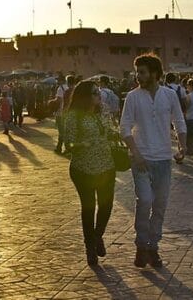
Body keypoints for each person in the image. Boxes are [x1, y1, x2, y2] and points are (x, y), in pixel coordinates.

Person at [120, 54, 186, 268]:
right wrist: (135, 153)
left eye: (143, 72)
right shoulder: (133, 97)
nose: (138, 76)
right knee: (145, 200)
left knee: (160, 204)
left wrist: (182, 146)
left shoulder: (169, 95)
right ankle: (141, 245)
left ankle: (152, 247)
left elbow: (179, 120)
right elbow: (124, 127)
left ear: (155, 73)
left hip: (164, 159)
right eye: (137, 72)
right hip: (141, 158)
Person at [63, 80, 117, 266]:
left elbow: (110, 131)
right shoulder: (73, 117)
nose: (99, 96)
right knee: (88, 208)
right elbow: (68, 144)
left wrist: (117, 135)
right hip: (83, 169)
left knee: (106, 206)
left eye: (99, 92)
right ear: (85, 96)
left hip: (106, 166)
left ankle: (97, 236)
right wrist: (85, 144)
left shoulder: (103, 110)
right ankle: (90, 247)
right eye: (95, 93)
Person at [53, 76, 73, 154]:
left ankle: (67, 148)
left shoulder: (60, 88)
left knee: (62, 131)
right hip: (69, 113)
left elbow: (58, 101)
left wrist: (52, 103)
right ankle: (59, 147)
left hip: (61, 112)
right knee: (64, 131)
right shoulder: (71, 88)